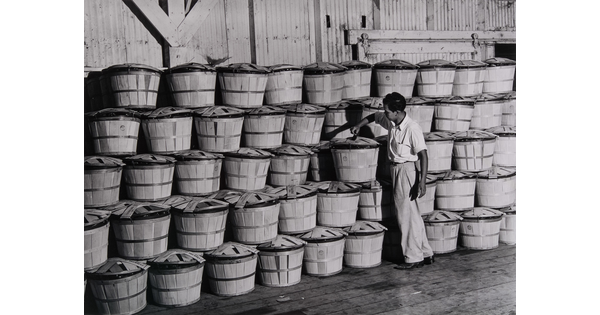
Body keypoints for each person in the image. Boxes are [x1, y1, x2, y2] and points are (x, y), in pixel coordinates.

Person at [350, 92, 434, 269]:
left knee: (405, 216)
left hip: (406, 171)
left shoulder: (412, 128)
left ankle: (413, 258)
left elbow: (424, 155)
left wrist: (422, 181)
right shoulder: (392, 122)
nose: (384, 112)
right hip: (397, 169)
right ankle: (426, 253)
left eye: (387, 110)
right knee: (413, 215)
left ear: (397, 111)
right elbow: (374, 116)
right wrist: (358, 125)